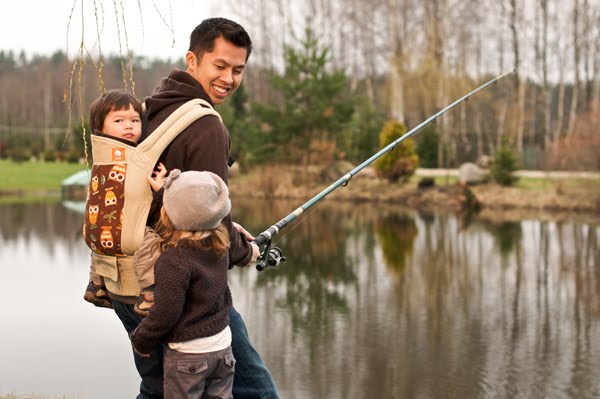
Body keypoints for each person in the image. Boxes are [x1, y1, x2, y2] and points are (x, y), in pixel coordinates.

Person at [110, 17, 279, 399]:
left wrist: (231, 230)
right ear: (192, 60)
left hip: (128, 278)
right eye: (220, 65)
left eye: (238, 69)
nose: (230, 78)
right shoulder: (205, 124)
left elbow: (183, 206)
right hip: (183, 293)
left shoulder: (151, 108)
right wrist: (245, 250)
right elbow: (210, 215)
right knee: (258, 393)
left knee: (157, 389)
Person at [131, 169, 236, 399]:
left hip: (189, 355)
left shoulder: (173, 261)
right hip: (223, 347)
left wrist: (142, 338)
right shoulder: (220, 247)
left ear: (167, 215)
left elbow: (166, 312)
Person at [82, 89, 166, 312]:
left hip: (96, 227)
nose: (129, 126)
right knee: (146, 242)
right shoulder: (133, 157)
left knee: (99, 242)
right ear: (100, 128)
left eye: (135, 120)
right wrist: (161, 190)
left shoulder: (101, 157)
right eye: (119, 120)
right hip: (126, 231)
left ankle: (96, 283)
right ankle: (149, 292)